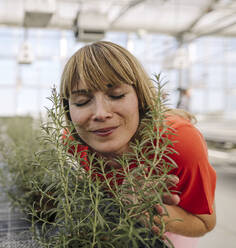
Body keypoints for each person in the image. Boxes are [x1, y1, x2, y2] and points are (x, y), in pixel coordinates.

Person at [59, 41, 216, 248]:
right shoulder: (73, 142)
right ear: (68, 109)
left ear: (140, 98)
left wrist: (144, 210)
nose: (100, 113)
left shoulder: (179, 142)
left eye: (116, 95)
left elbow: (205, 222)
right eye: (81, 101)